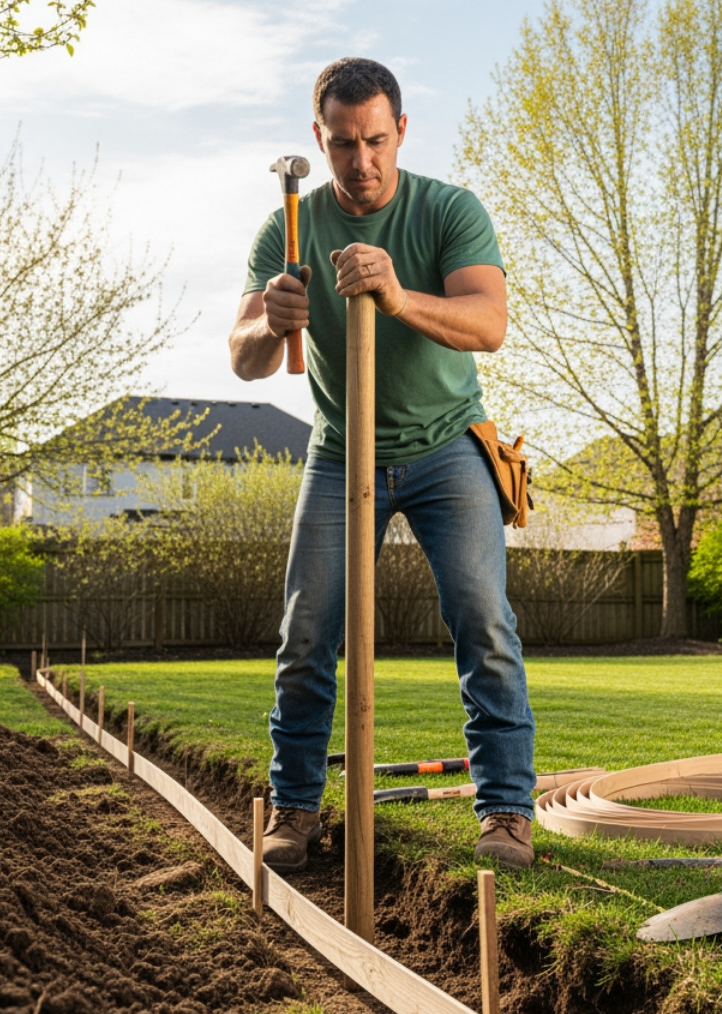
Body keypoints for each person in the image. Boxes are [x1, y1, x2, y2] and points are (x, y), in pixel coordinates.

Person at [229, 57, 537, 871]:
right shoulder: (287, 229)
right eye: (340, 144)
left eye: (374, 140)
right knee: (306, 634)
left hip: (448, 448)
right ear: (317, 141)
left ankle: (505, 811)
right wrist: (272, 323)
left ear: (401, 130)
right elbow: (243, 358)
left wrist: (400, 298)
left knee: (484, 623)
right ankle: (295, 807)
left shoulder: (448, 211)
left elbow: (489, 322)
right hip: (340, 452)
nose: (359, 162)